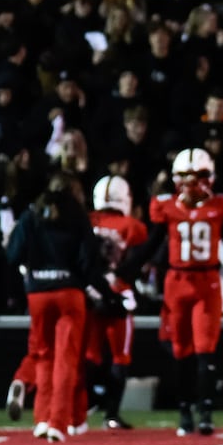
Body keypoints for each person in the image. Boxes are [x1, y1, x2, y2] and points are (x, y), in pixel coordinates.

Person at [121, 148, 223, 437]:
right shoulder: (167, 207)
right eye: (187, 177)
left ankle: (204, 412)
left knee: (205, 352)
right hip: (177, 282)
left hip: (208, 283)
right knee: (182, 353)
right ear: (177, 179)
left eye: (200, 176)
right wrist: (125, 273)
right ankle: (184, 411)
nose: (194, 184)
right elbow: (152, 245)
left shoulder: (220, 206)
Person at [5, 172, 126, 443]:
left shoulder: (31, 214)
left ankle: (41, 418)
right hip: (69, 293)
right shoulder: (77, 216)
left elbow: (12, 254)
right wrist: (107, 295)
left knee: (43, 356)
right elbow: (88, 264)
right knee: (66, 360)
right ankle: (58, 422)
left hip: (37, 293)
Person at [86, 175, 146, 430]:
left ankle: (89, 400)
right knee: (121, 356)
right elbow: (136, 263)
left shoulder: (88, 221)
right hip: (120, 295)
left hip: (91, 294)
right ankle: (111, 412)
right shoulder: (133, 226)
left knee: (90, 353)